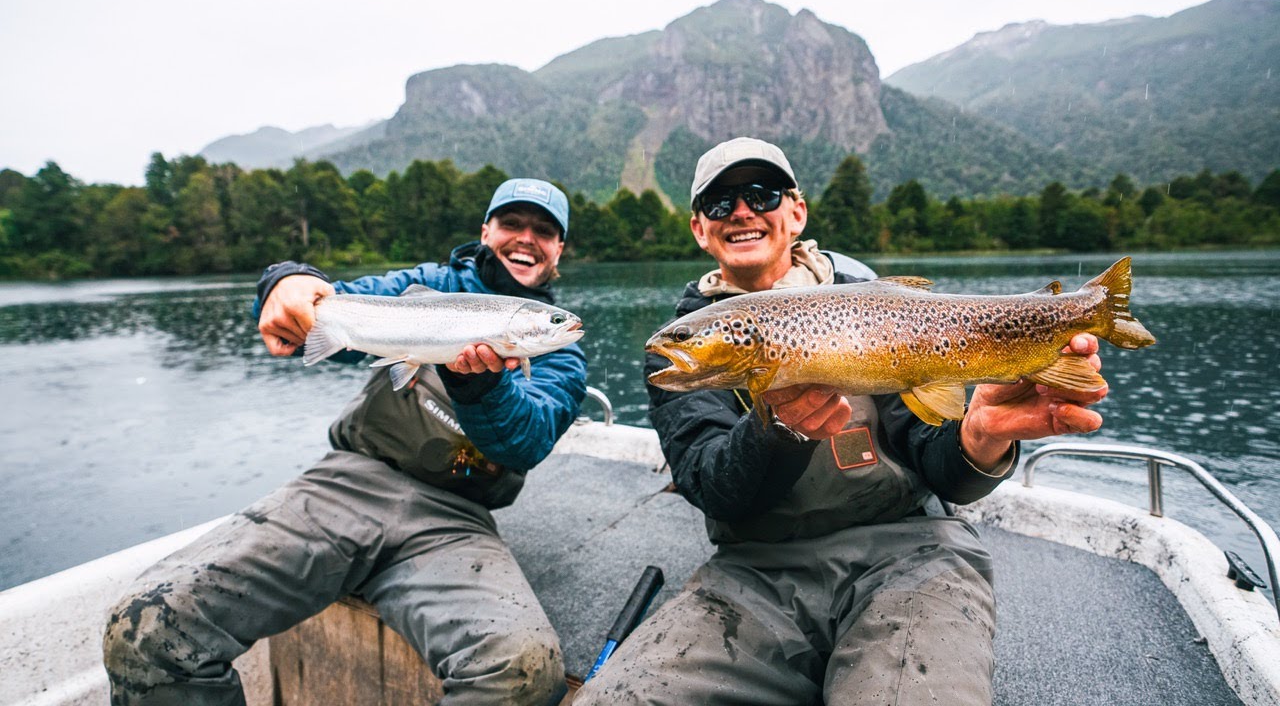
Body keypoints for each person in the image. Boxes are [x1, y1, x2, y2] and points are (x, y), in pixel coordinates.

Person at [573, 138, 1107, 706]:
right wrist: (778, 430)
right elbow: (713, 489)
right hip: (753, 574)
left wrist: (979, 439)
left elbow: (942, 469)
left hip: (912, 555)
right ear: (700, 229)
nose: (743, 211)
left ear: (796, 212)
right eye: (720, 203)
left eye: (762, 194)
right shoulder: (679, 351)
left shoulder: (874, 308)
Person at [103, 178, 587, 706]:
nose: (526, 238)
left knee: (526, 673)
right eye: (512, 224)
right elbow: (321, 305)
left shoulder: (560, 353)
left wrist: (478, 382)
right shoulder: (425, 284)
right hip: (345, 484)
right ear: (485, 231)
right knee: (146, 628)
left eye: (544, 230)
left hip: (453, 522)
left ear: (559, 249)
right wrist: (286, 281)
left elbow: (527, 443)